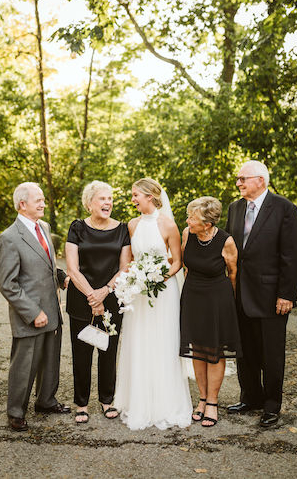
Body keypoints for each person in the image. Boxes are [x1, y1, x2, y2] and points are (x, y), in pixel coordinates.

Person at [224, 160, 297, 428]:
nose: (239, 183)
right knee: (245, 351)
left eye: (243, 179)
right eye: (238, 179)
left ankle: (271, 406)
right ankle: (250, 397)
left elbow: (292, 256)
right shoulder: (235, 208)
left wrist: (286, 295)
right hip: (240, 293)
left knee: (271, 354)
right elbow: (230, 248)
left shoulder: (284, 208)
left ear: (261, 180)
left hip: (272, 297)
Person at [112, 178, 192, 430]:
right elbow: (130, 260)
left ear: (149, 195)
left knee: (163, 341)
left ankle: (166, 402)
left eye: (136, 194)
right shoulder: (132, 225)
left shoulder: (168, 224)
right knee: (139, 341)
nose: (132, 199)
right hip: (139, 292)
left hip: (163, 292)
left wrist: (157, 279)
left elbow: (177, 261)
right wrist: (136, 281)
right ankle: (137, 400)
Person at [0, 182, 70, 432]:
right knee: (25, 365)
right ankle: (15, 412)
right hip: (30, 314)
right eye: (37, 200)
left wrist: (61, 277)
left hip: (52, 307)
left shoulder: (44, 227)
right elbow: (7, 284)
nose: (43, 203)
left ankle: (46, 401)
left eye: (43, 199)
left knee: (50, 360)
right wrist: (32, 312)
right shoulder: (9, 238)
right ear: (22, 204)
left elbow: (47, 263)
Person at [64, 181, 131, 424]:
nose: (108, 203)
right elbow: (72, 267)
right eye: (102, 199)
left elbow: (125, 268)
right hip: (82, 298)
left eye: (110, 199)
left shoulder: (122, 229)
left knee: (108, 351)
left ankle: (107, 400)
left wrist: (104, 292)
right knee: (81, 352)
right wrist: (92, 296)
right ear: (89, 203)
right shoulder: (77, 228)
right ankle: (81, 403)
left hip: (113, 298)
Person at [179, 196, 240, 428]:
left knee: (214, 351)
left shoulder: (227, 241)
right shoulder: (187, 234)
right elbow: (186, 266)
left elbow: (233, 274)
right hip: (193, 295)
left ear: (207, 223)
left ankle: (213, 403)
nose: (188, 221)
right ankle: (202, 399)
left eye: (192, 218)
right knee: (198, 349)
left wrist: (228, 303)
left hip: (217, 298)